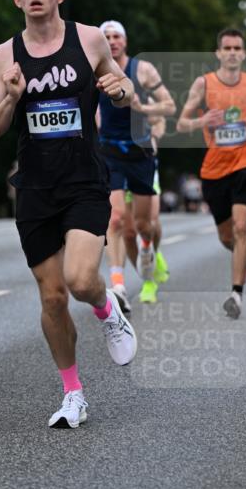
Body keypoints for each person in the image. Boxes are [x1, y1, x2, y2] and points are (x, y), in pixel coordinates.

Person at [0, 0, 137, 429]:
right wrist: (9, 96)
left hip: (85, 180)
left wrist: (120, 89)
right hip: (35, 187)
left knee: (82, 279)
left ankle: (108, 310)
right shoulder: (1, 56)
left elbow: (122, 86)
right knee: (51, 298)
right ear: (16, 0)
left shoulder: (89, 39)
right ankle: (73, 393)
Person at [176, 28, 246, 318]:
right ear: (218, 54)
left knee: (241, 226)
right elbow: (182, 124)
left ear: (244, 54)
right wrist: (203, 121)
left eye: (238, 48)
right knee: (227, 237)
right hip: (213, 170)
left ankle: (236, 293)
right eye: (228, 48)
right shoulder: (204, 84)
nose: (233, 53)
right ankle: (240, 256)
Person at [97, 21, 175, 314]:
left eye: (116, 36)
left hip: (141, 153)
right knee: (116, 220)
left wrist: (145, 110)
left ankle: (149, 251)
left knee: (143, 225)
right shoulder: (94, 69)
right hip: (109, 152)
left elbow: (168, 106)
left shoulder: (142, 69)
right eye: (106, 37)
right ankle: (118, 286)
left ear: (125, 42)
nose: (112, 41)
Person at [121, 115, 171, 305]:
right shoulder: (101, 92)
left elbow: (161, 117)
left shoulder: (141, 91)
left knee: (149, 221)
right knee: (128, 233)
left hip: (143, 162)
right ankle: (147, 280)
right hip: (116, 164)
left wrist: (155, 133)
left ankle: (153, 252)